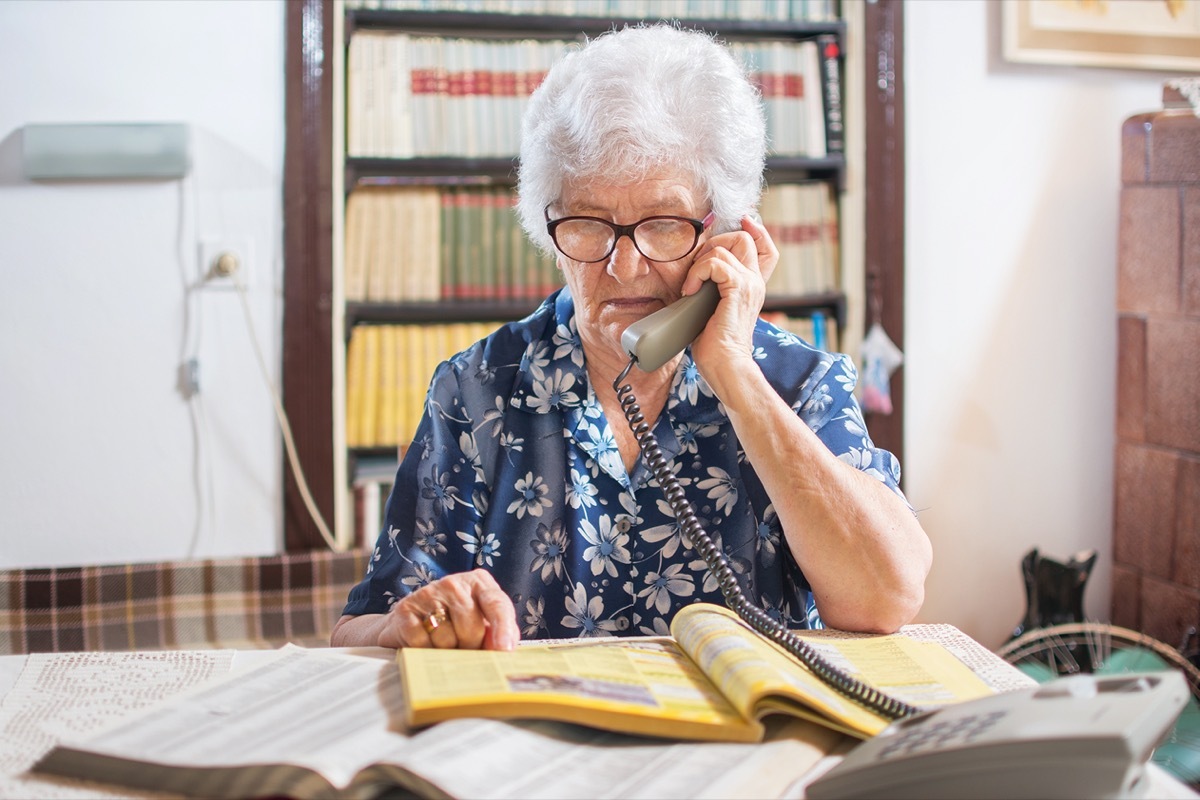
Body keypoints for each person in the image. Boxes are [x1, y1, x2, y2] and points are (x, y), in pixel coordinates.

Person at [331, 23, 931, 651]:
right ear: (549, 225)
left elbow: (887, 597)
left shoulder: (796, 383)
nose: (623, 266)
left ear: (726, 233)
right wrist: (407, 625)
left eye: (664, 224)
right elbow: (361, 629)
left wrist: (734, 374)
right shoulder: (477, 390)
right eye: (588, 224)